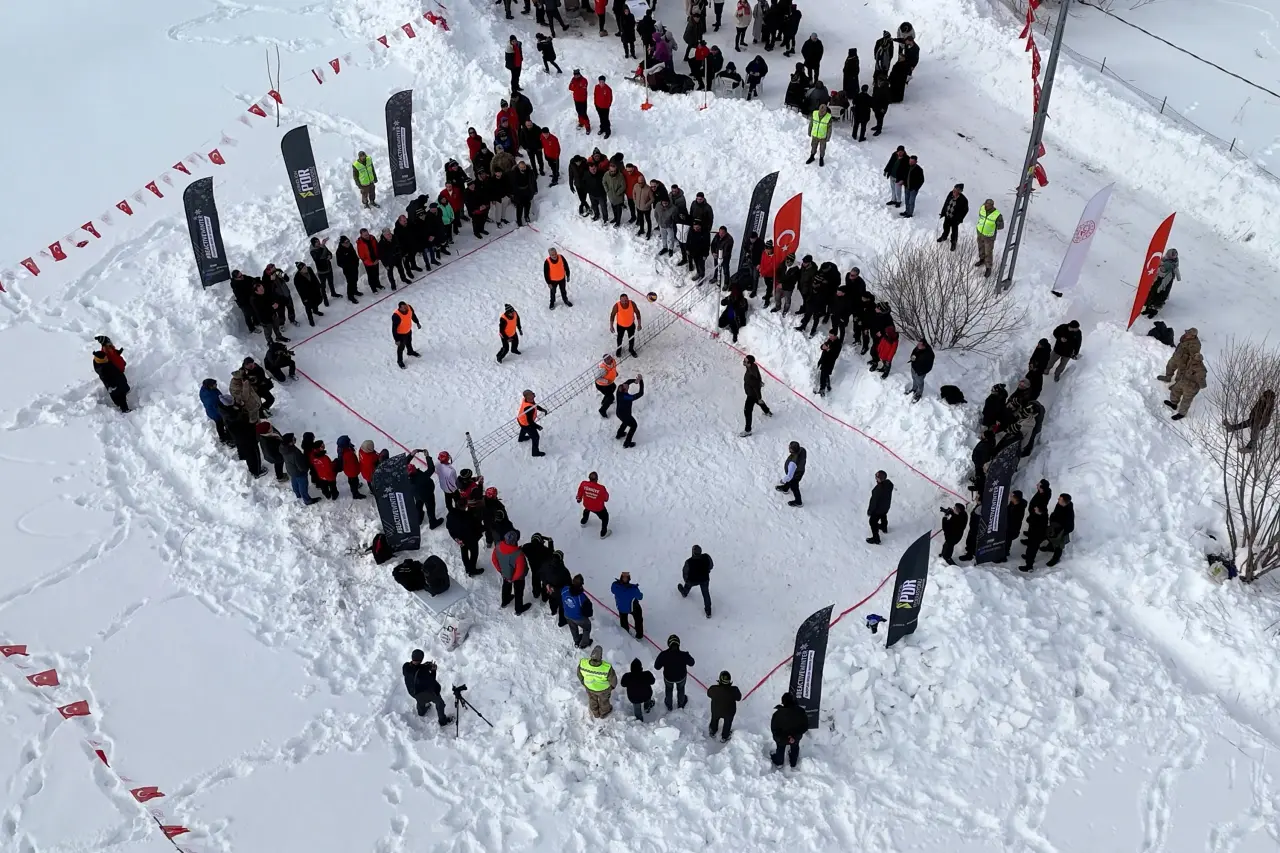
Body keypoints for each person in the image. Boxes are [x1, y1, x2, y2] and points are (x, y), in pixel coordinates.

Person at [403, 651, 454, 726]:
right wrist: (433, 671)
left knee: (420, 700)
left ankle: (421, 712)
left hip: (412, 692)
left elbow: (415, 669)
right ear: (421, 659)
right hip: (423, 693)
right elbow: (431, 681)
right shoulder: (423, 672)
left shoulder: (406, 666)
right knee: (440, 703)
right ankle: (443, 721)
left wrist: (424, 666)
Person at [491, 530, 532, 613]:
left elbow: (494, 560)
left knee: (506, 586)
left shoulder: (498, 546)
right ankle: (518, 609)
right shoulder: (518, 554)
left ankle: (505, 601)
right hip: (518, 578)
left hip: (505, 573)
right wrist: (513, 579)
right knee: (518, 592)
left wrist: (501, 571)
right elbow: (520, 571)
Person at [654, 635, 695, 711]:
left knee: (669, 689)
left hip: (668, 678)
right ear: (678, 644)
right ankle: (681, 704)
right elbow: (692, 663)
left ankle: (669, 705)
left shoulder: (663, 655)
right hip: (681, 677)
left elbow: (657, 667)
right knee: (681, 689)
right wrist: (687, 656)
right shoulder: (684, 655)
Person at [770, 692, 809, 768]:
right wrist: (794, 736)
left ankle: (779, 761)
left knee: (780, 747)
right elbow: (805, 726)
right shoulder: (801, 711)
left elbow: (774, 729)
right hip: (796, 737)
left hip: (782, 739)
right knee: (795, 746)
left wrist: (784, 737)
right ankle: (793, 762)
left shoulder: (777, 714)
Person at [578, 645, 617, 719]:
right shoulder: (606, 667)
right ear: (601, 656)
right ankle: (604, 713)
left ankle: (595, 713)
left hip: (589, 688)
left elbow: (579, 674)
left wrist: (583, 682)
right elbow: (613, 679)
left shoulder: (583, 663)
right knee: (604, 701)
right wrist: (612, 687)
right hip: (603, 690)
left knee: (592, 700)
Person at [1165, 352, 1207, 421]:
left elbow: (1203, 385)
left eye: (1195, 359)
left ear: (1199, 361)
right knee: (1175, 391)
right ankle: (1173, 403)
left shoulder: (1201, 370)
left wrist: (1196, 382)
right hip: (1183, 381)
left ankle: (1181, 414)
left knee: (1186, 401)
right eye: (1193, 358)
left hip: (1191, 387)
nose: (1193, 359)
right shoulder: (1190, 361)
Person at [1142, 248, 1180, 317]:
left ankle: (1153, 311)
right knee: (1153, 292)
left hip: (1165, 282)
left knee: (1160, 295)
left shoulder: (1171, 264)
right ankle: (1148, 309)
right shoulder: (1165, 260)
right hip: (1159, 279)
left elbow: (1163, 271)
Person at [678, 544, 714, 617]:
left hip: (693, 580)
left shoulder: (689, 562)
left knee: (687, 586)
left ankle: (684, 593)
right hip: (704, 579)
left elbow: (685, 573)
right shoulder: (706, 557)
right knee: (706, 593)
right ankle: (708, 611)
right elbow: (711, 565)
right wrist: (707, 571)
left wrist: (687, 581)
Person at [281, 433, 317, 505]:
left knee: (294, 481)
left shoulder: (283, 448)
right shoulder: (294, 453)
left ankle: (297, 494)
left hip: (291, 469)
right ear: (290, 443)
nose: (295, 439)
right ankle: (307, 500)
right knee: (303, 485)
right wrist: (305, 469)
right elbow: (301, 466)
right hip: (299, 472)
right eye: (293, 438)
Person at [741, 354, 772, 436]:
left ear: (749, 364)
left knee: (747, 411)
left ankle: (748, 430)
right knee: (758, 401)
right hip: (751, 391)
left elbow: (756, 388)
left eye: (745, 361)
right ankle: (767, 411)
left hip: (752, 394)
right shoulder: (752, 366)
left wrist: (759, 397)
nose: (743, 361)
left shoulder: (752, 376)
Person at [707, 672, 741, 742]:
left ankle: (713, 730)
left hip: (716, 710)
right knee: (727, 723)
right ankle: (725, 736)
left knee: (714, 719)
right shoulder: (734, 690)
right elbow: (739, 698)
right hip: (729, 712)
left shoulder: (713, 689)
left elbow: (709, 694)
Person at [561, 574, 594, 647]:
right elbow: (588, 612)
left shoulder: (565, 589)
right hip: (578, 618)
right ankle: (584, 643)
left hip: (567, 614)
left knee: (573, 628)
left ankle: (576, 640)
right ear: (581, 585)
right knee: (587, 627)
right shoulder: (582, 597)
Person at [974, 199, 1003, 278]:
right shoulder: (982, 208)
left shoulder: (997, 215)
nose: (986, 206)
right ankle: (982, 260)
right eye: (985, 204)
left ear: (992, 206)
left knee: (988, 252)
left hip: (989, 236)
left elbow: (1001, 226)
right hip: (980, 233)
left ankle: (988, 267)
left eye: (988, 205)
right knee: (981, 248)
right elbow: (980, 217)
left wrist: (996, 224)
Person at [611, 571, 644, 640]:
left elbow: (613, 590)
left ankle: (625, 633)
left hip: (621, 608)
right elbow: (640, 597)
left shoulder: (615, 586)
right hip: (632, 608)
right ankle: (639, 634)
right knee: (638, 618)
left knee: (623, 619)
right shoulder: (633, 589)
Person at [1044, 493, 1074, 567]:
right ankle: (1050, 547)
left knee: (1058, 546)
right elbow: (1055, 513)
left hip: (1061, 531)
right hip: (1054, 527)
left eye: (1060, 499)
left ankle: (1055, 559)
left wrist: (1061, 533)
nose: (1058, 499)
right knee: (1049, 536)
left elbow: (1070, 527)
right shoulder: (1059, 504)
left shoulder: (1069, 512)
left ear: (1064, 502)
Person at [577, 471, 610, 536]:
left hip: (587, 504)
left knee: (586, 510)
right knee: (605, 517)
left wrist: (579, 499)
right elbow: (606, 499)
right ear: (597, 479)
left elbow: (579, 493)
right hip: (598, 508)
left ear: (589, 478)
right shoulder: (601, 488)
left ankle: (583, 522)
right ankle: (603, 533)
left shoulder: (584, 484)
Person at [614, 375, 645, 447]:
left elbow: (628, 381)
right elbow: (640, 393)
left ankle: (619, 434)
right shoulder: (627, 397)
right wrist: (641, 381)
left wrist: (635, 380)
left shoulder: (619, 390)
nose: (626, 384)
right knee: (634, 425)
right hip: (625, 415)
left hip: (619, 413)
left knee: (625, 422)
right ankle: (627, 442)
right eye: (626, 386)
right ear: (625, 390)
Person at [198, 378, 231, 445]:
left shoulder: (209, 389)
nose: (216, 385)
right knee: (220, 423)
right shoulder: (210, 397)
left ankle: (225, 436)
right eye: (214, 384)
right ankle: (224, 438)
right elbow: (217, 406)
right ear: (210, 386)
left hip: (214, 410)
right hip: (215, 413)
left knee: (222, 423)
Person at [517, 389, 548, 457]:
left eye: (532, 393)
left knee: (523, 428)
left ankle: (521, 438)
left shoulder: (527, 400)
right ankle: (535, 453)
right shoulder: (528, 408)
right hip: (526, 423)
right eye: (532, 394)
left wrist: (542, 409)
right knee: (536, 437)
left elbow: (534, 405)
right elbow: (530, 422)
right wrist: (538, 427)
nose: (533, 394)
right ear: (528, 397)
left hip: (520, 419)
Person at [937, 183, 969, 250]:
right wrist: (943, 212)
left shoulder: (964, 200)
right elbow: (946, 203)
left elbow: (966, 210)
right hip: (947, 216)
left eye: (956, 189)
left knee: (954, 232)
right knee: (945, 227)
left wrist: (960, 218)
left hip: (955, 219)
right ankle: (944, 237)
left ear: (960, 191)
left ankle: (953, 243)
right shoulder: (950, 193)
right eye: (954, 188)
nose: (954, 191)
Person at [775, 440, 806, 507]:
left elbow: (789, 476)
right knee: (790, 481)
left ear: (793, 450)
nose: (788, 448)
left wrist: (783, 481)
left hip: (796, 475)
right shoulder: (802, 450)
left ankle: (798, 502)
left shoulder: (793, 463)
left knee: (794, 487)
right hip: (800, 470)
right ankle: (785, 489)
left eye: (790, 447)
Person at [392, 302, 422, 369]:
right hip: (400, 334)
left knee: (409, 342)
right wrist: (396, 339)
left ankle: (410, 352)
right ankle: (399, 361)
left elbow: (413, 315)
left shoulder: (409, 307)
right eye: (404, 307)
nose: (406, 308)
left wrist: (417, 322)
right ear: (400, 308)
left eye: (406, 306)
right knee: (401, 348)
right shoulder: (396, 316)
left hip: (408, 331)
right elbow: (394, 329)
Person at [867, 470, 893, 544]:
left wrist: (870, 511)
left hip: (878, 510)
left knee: (872, 522)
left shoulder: (877, 490)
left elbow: (873, 502)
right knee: (883, 515)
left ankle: (876, 539)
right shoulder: (889, 484)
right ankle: (884, 527)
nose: (876, 479)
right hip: (886, 507)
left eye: (877, 478)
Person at [1020, 502, 1048, 573]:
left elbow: (1030, 521)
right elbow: (1028, 520)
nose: (1034, 508)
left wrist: (1032, 518)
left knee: (1031, 551)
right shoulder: (1040, 515)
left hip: (1036, 538)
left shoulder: (1041, 520)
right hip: (1033, 536)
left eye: (1036, 508)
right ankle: (1028, 557)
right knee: (1030, 549)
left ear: (1040, 511)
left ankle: (1029, 566)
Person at [309, 237, 338, 302]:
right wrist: (322, 246)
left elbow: (329, 252)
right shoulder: (313, 251)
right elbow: (318, 258)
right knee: (323, 286)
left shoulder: (322, 246)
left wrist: (330, 256)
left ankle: (333, 293)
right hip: (321, 271)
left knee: (331, 282)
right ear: (313, 244)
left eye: (318, 241)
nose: (318, 242)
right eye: (316, 242)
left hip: (328, 268)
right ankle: (325, 299)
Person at [1000, 490, 1026, 561]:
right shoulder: (1012, 504)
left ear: (1016, 498)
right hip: (1007, 526)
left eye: (1012, 496)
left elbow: (1014, 521)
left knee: (1007, 541)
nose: (1010, 497)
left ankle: (1003, 556)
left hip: (1012, 529)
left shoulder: (1019, 509)